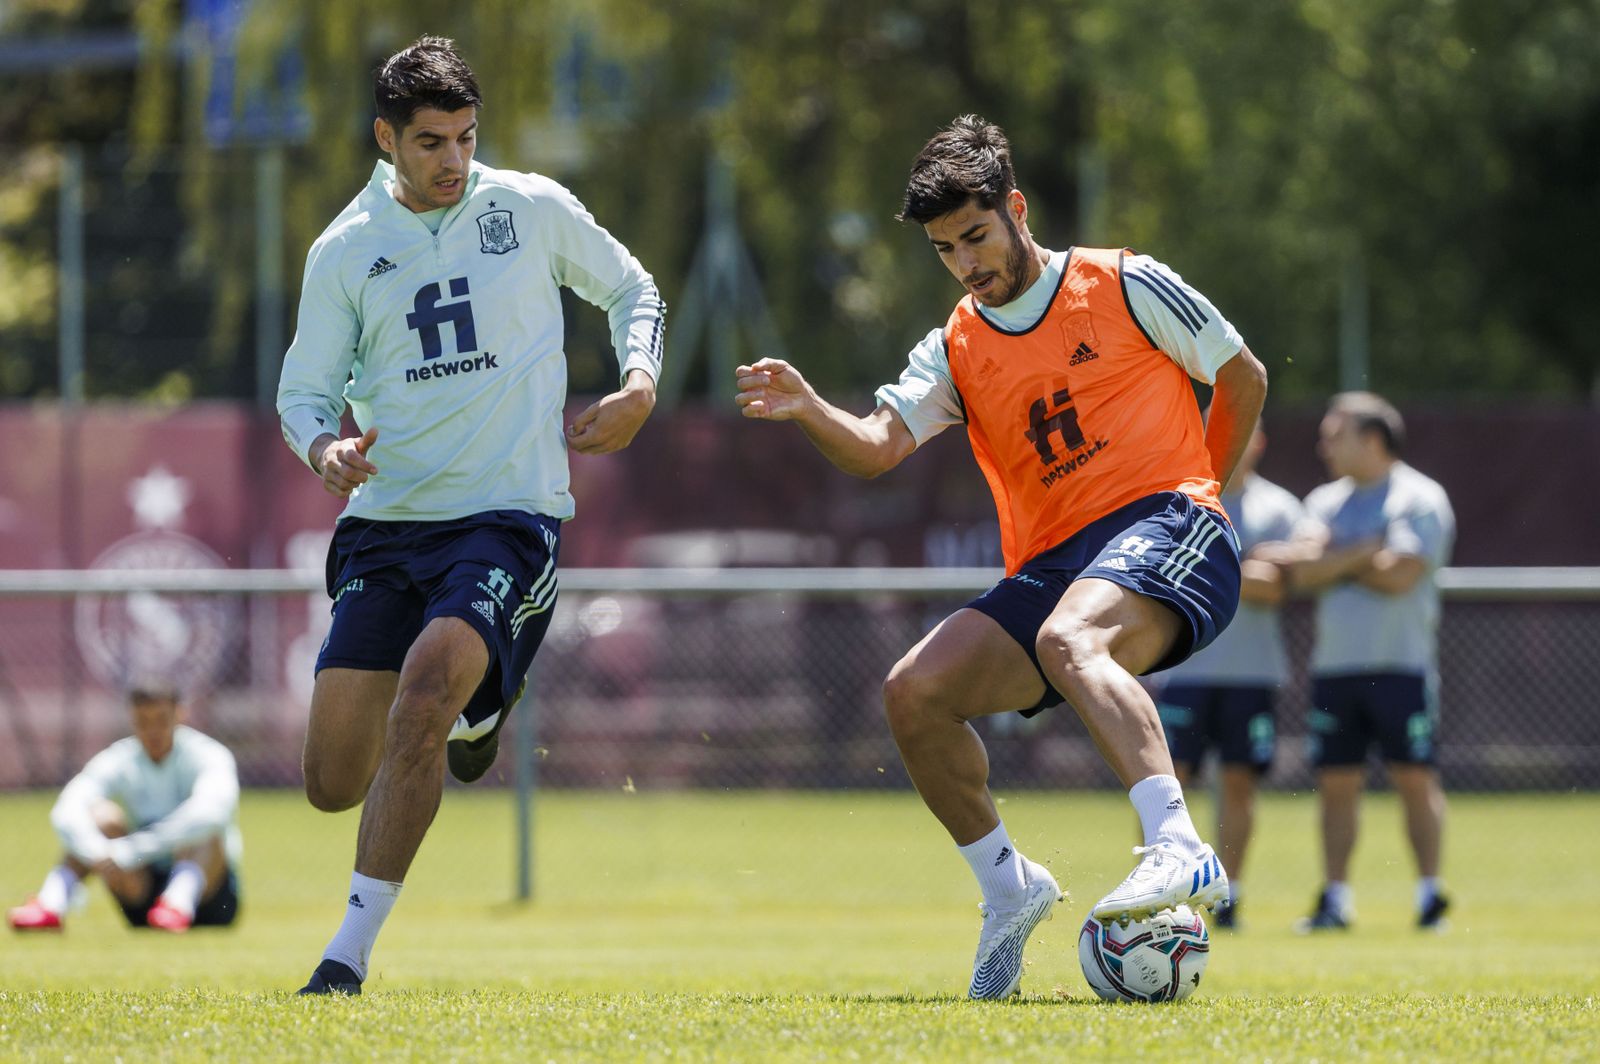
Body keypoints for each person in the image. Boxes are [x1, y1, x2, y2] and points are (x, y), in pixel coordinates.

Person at [735, 115, 1267, 998]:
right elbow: (875, 447)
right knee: (915, 694)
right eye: (945, 249)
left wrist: (1201, 492)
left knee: (1072, 640)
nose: (965, 261)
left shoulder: (1125, 281)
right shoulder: (955, 344)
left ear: (1016, 209)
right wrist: (807, 406)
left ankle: (1179, 845)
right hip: (1057, 569)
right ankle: (1010, 889)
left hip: (1173, 524)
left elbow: (1242, 374)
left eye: (976, 236)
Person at [275, 36, 664, 995]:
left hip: (507, 514)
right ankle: (484, 710)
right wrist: (326, 449)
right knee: (330, 782)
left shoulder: (526, 208)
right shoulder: (344, 251)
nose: (452, 160)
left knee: (425, 693)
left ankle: (346, 958)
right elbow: (303, 395)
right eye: (430, 143)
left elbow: (631, 287)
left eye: (464, 137)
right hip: (387, 524)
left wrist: (641, 383)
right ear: (385, 140)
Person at [1262, 392, 1455, 933]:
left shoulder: (1419, 497)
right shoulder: (1324, 501)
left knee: (1415, 777)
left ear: (1371, 440)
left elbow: (1401, 575)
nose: (1324, 446)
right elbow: (1299, 572)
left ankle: (1429, 898)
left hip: (1403, 666)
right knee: (1336, 783)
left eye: (1334, 435)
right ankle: (1336, 900)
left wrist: (1334, 562)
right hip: (1336, 670)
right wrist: (1365, 550)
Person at [1151, 422, 1303, 930]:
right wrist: (1247, 568)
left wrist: (1207, 564)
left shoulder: (1279, 508)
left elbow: (1280, 586)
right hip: (1184, 666)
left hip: (1250, 672)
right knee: (1167, 781)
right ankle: (1158, 884)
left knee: (1239, 783)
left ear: (1259, 440)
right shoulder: (1180, 497)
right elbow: (1165, 571)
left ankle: (1229, 895)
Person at [7, 680, 242, 934]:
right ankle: (51, 904)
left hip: (210, 899)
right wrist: (98, 852)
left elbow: (212, 813)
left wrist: (133, 849)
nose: (153, 731)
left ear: (180, 715)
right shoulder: (120, 757)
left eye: (161, 719)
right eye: (143, 721)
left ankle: (177, 903)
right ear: (132, 718)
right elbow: (67, 808)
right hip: (140, 894)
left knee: (205, 831)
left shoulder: (209, 754)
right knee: (101, 818)